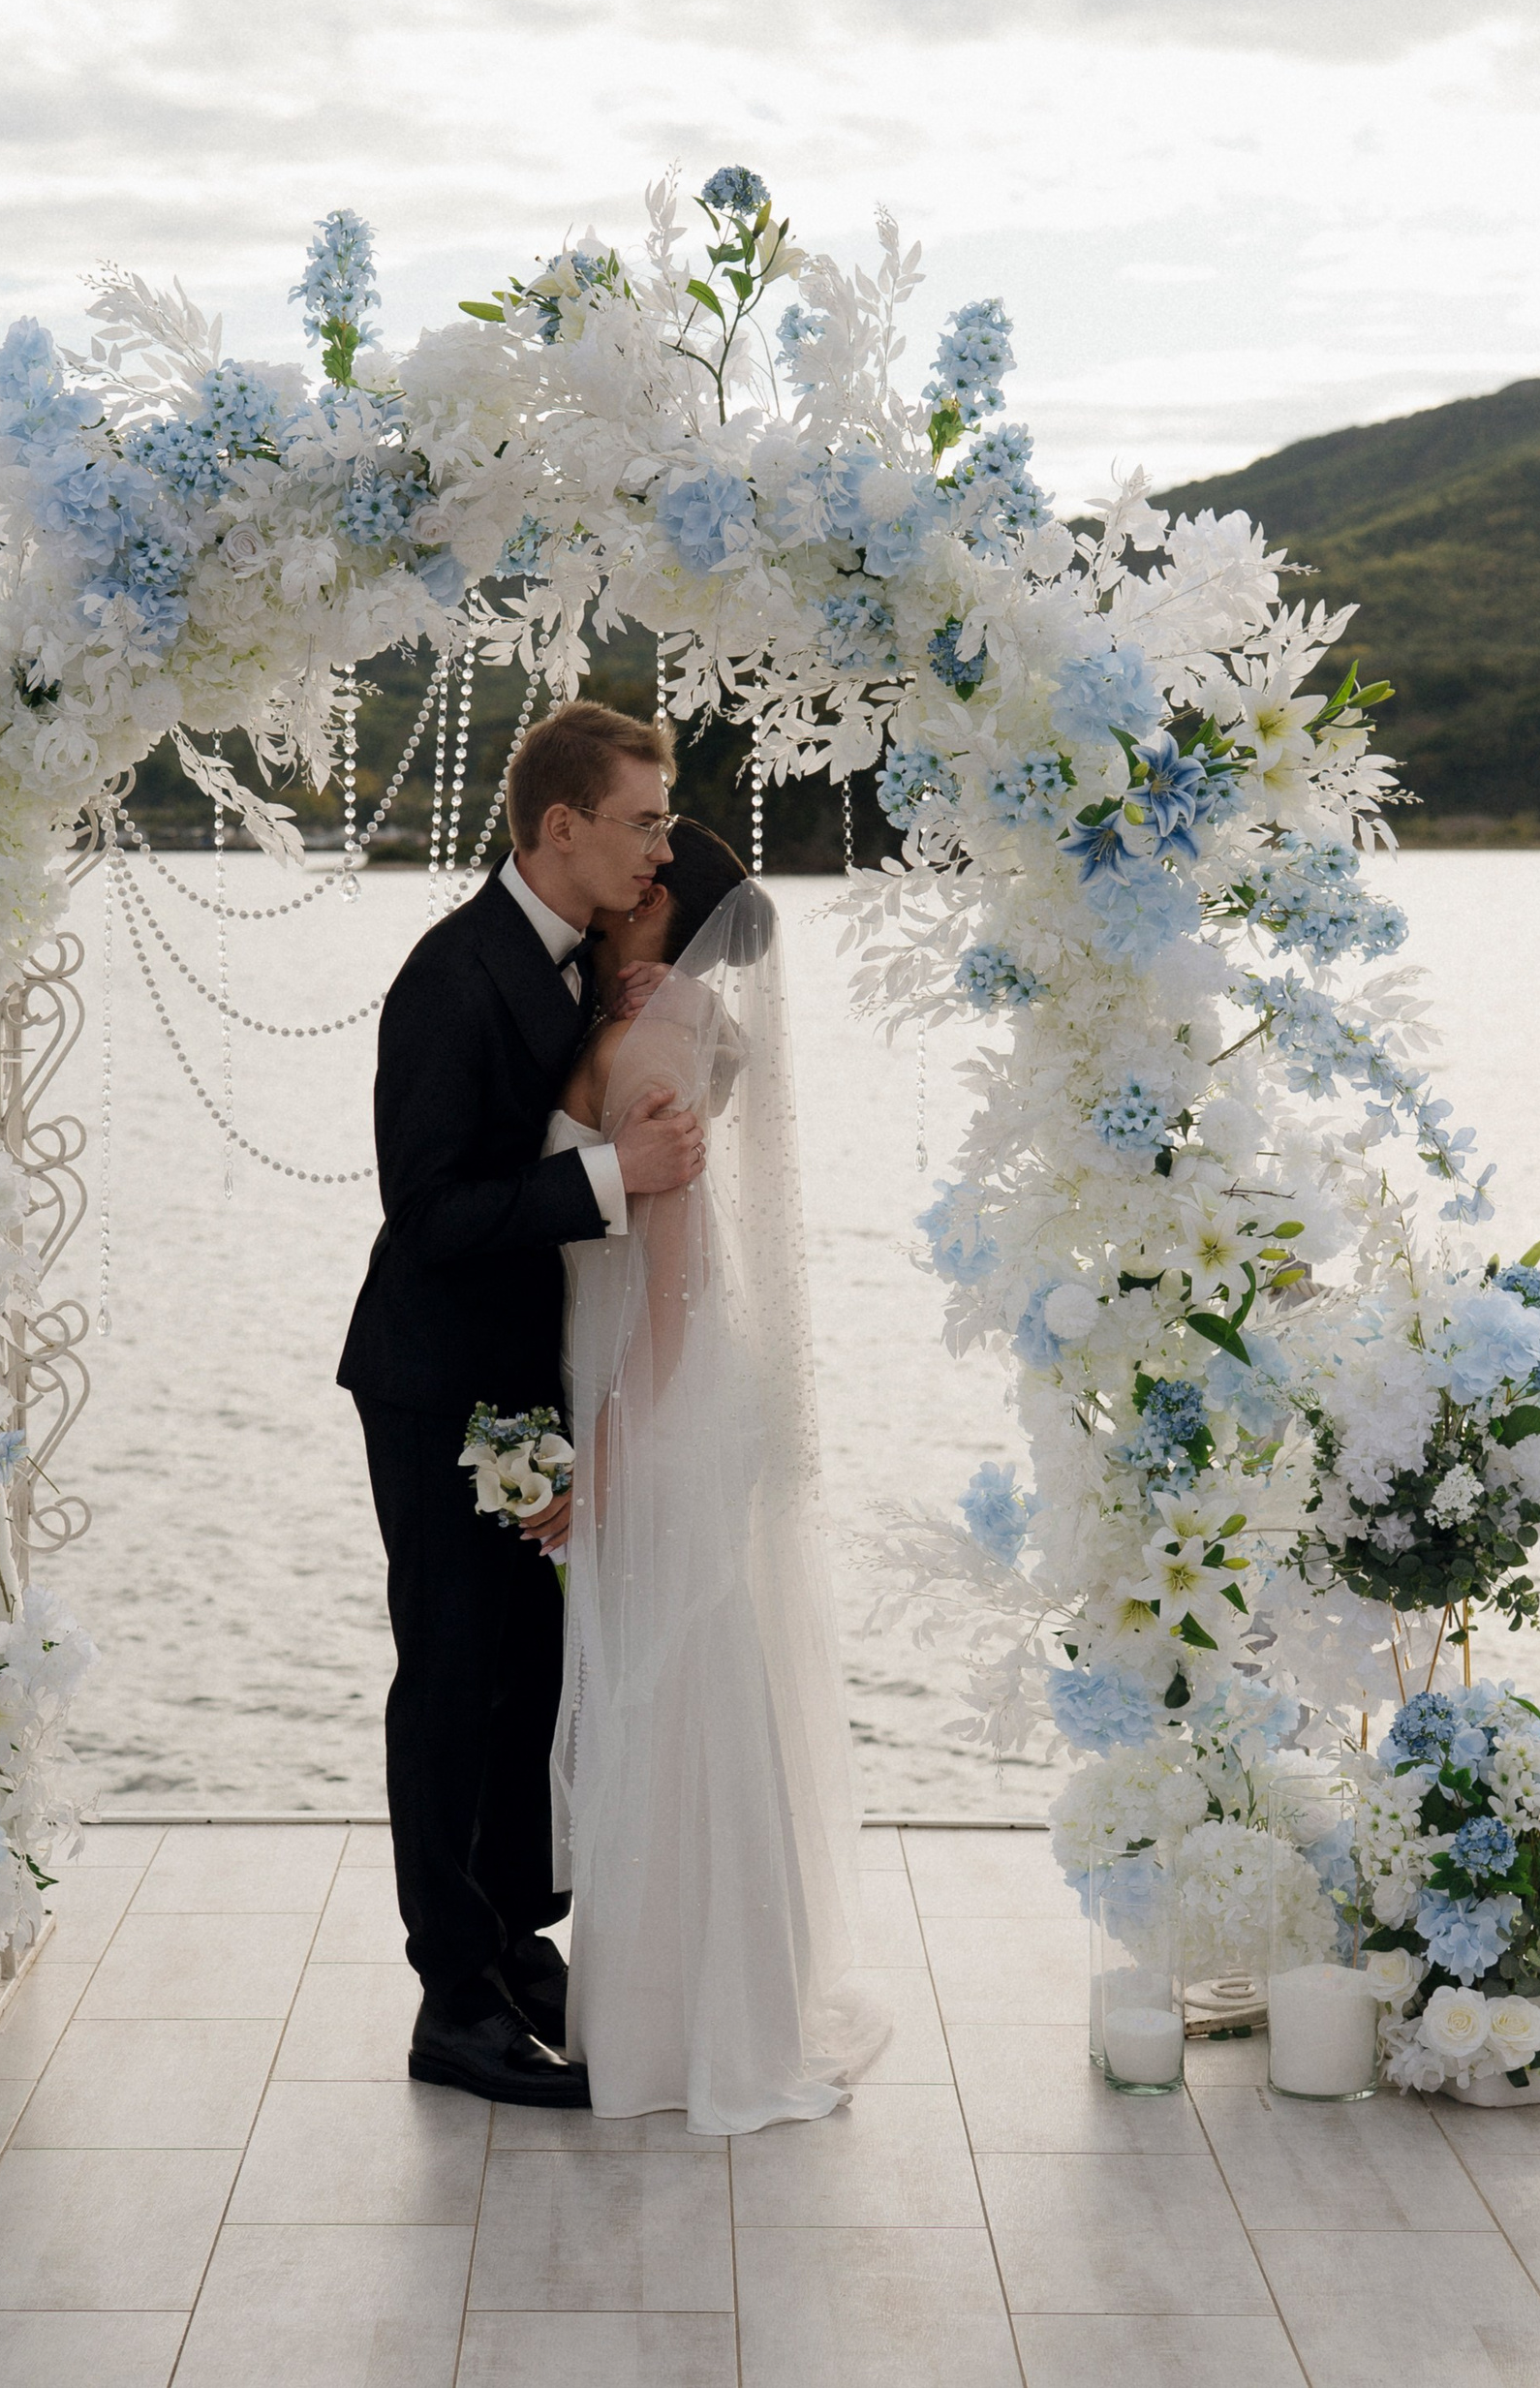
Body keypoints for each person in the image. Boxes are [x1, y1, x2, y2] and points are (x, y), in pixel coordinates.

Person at [339, 699, 704, 2109]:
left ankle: (504, 1942)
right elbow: (425, 1213)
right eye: (639, 821)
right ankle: (450, 1998)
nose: (657, 847)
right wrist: (623, 1179)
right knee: (447, 1683)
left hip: (523, 1386)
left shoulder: (573, 965)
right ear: (560, 826)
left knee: (525, 1683)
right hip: (434, 1384)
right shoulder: (453, 971)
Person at [523, 821, 888, 2130]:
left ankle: (691, 2023)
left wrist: (605, 1459)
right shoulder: (666, 1017)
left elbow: (669, 1289)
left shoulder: (658, 1043)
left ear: (661, 899)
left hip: (660, 1398)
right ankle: (708, 1999)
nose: (620, 875)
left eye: (641, 864)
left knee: (671, 1694)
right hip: (666, 1391)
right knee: (678, 1683)